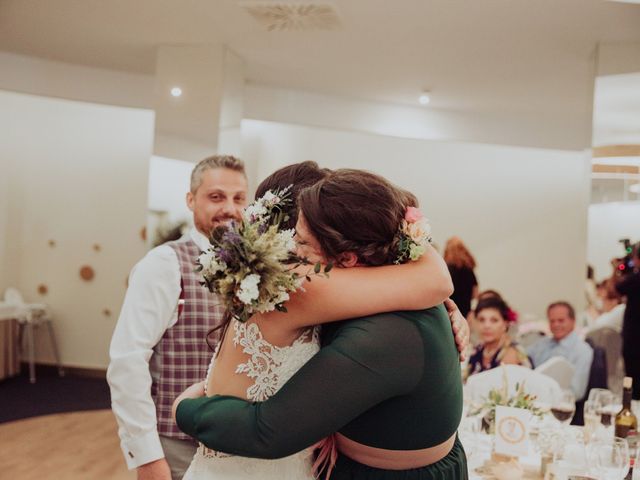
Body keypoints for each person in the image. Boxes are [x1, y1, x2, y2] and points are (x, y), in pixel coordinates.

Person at [175, 169, 468, 480]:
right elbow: (436, 278)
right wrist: (185, 407)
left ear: (347, 257)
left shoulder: (322, 289)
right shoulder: (299, 285)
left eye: (303, 240)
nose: (294, 249)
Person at [107, 155, 249, 480]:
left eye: (238, 198)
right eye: (216, 197)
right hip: (178, 445)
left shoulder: (254, 265)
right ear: (191, 199)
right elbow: (127, 362)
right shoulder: (164, 264)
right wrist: (147, 456)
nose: (229, 208)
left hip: (238, 444)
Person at [527, 301, 593, 399]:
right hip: (532, 398)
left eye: (561, 320)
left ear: (573, 321)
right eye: (552, 321)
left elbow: (577, 392)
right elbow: (522, 356)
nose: (556, 325)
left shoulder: (582, 351)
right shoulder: (542, 344)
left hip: (559, 405)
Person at [465, 296, 530, 380]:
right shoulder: (477, 350)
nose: (486, 326)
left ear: (505, 324)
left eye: (494, 320)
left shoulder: (512, 352)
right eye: (481, 320)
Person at [615, 243, 640, 399]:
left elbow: (616, 288)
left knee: (634, 379)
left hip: (634, 339)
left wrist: (619, 269)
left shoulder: (635, 280)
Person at [444, 236, 478, 318]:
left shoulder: (447, 270)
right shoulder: (468, 268)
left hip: (451, 312)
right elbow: (475, 293)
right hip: (466, 311)